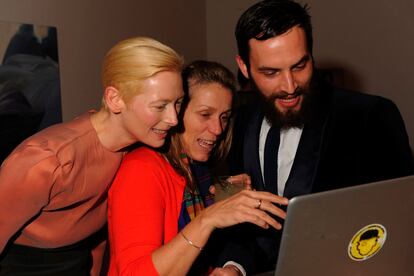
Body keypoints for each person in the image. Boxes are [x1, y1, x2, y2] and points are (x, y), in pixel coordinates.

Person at [222, 0, 414, 273]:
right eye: (271, 72)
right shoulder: (235, 123)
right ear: (243, 66)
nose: (290, 86)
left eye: (300, 66)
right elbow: (236, 225)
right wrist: (233, 267)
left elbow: (400, 225)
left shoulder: (370, 116)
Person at [0, 36, 184, 275]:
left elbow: (97, 238)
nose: (173, 119)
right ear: (115, 99)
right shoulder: (47, 161)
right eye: (160, 106)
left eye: (178, 103)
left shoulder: (135, 151)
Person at [107, 60, 289, 276]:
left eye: (224, 117)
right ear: (177, 112)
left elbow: (238, 242)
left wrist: (233, 268)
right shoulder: (141, 169)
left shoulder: (204, 167)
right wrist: (208, 219)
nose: (218, 129)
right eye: (205, 114)